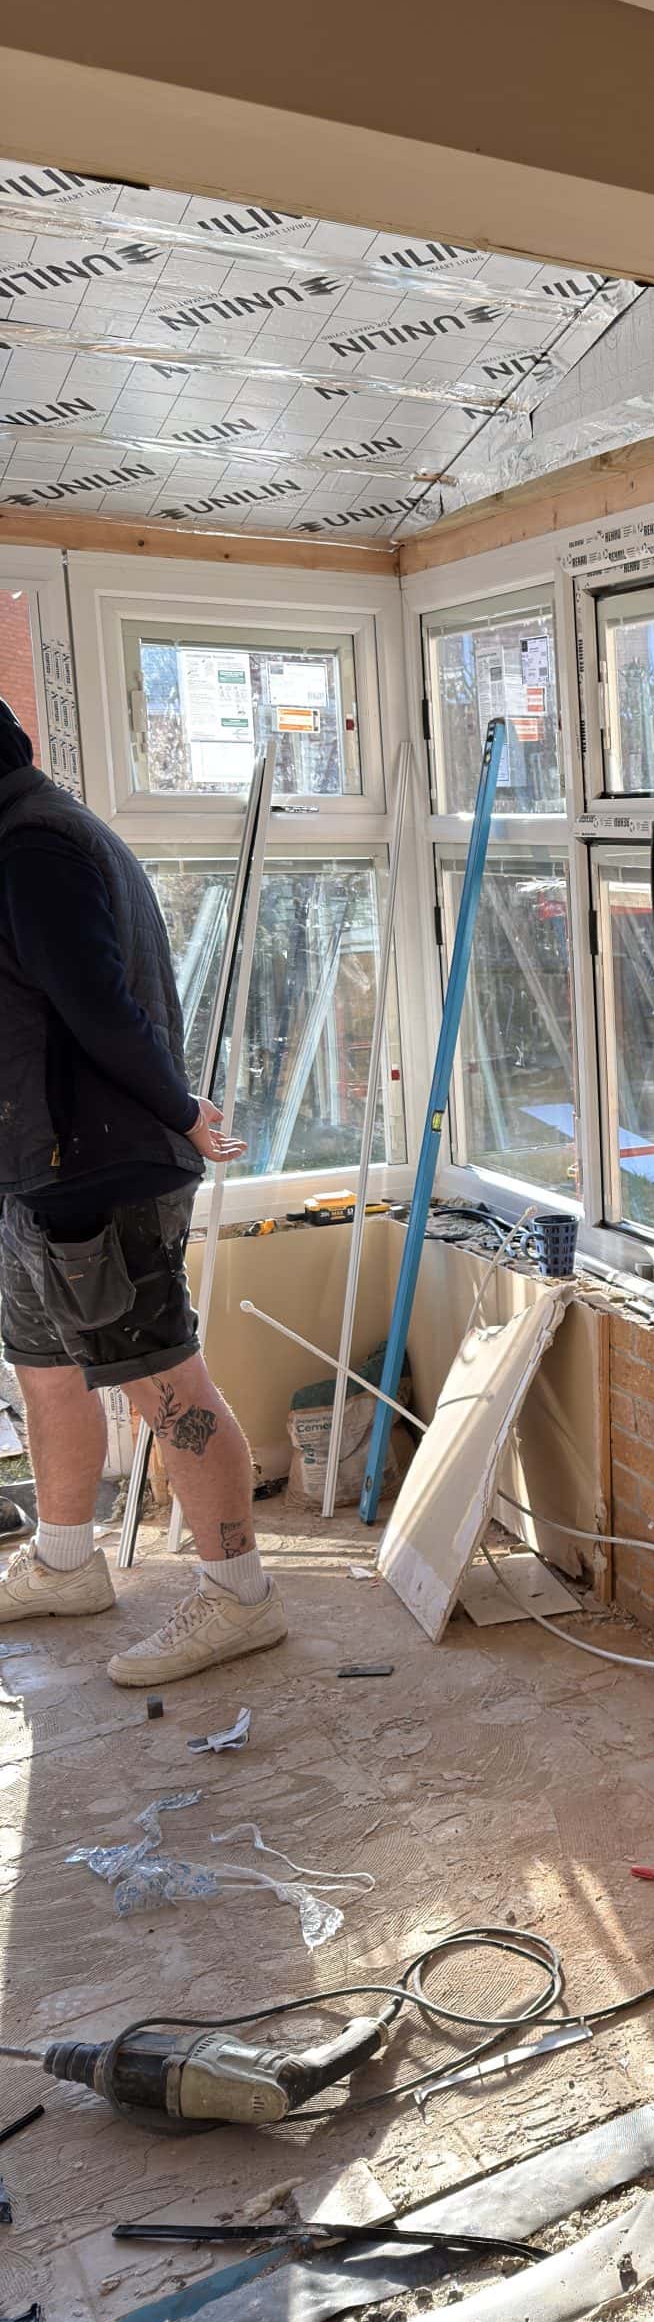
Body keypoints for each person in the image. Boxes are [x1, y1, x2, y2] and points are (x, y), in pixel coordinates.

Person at [0, 699, 286, 1683]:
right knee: (43, 1367)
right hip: (37, 1171)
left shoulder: (33, 846)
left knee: (164, 1384)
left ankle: (240, 1596)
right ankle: (67, 1561)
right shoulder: (22, 835)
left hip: (99, 1173)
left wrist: (187, 1109)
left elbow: (105, 1015)